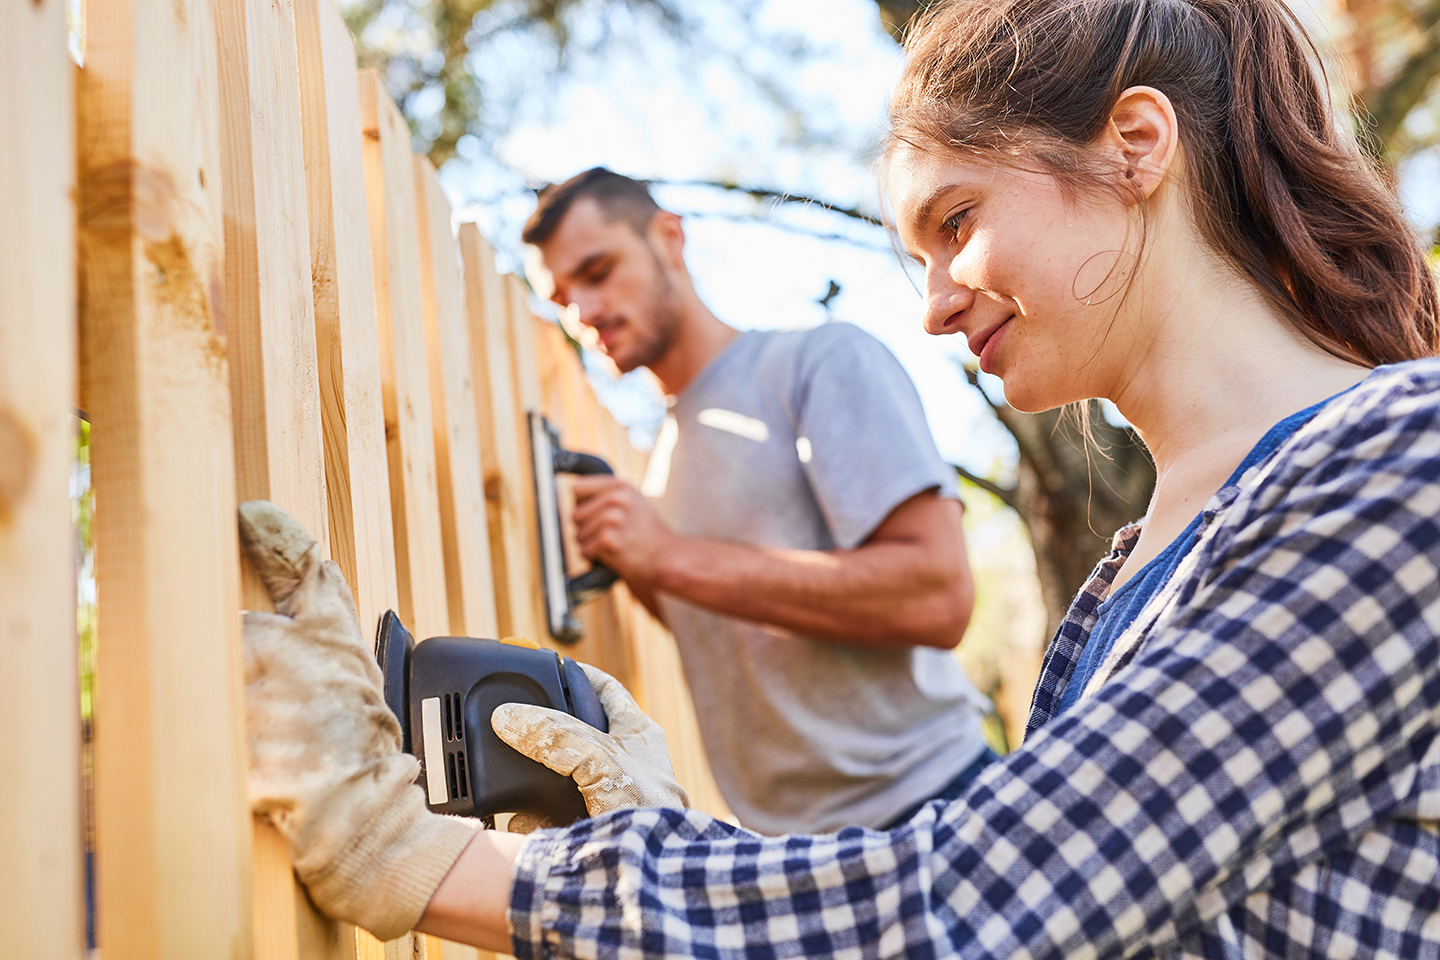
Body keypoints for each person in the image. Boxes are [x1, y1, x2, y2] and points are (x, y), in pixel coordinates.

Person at [237, 0, 1440, 954]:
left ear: (1136, 145)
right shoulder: (1137, 569)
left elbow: (982, 902)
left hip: (914, 830)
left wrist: (423, 860)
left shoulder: (1403, 464)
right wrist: (671, 841)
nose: (933, 306)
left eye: (957, 221)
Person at [518, 167, 994, 836]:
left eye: (598, 272)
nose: (585, 312)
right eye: (562, 299)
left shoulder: (818, 363)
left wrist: (669, 557)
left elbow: (937, 596)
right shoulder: (659, 467)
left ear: (668, 237)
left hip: (936, 810)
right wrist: (650, 566)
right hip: (785, 852)